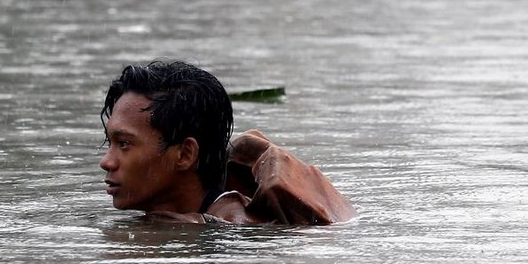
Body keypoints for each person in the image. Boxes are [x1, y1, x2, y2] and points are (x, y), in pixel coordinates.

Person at [97, 60, 354, 225]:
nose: (106, 162)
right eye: (110, 142)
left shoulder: (236, 227)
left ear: (185, 154)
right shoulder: (182, 220)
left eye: (125, 144)